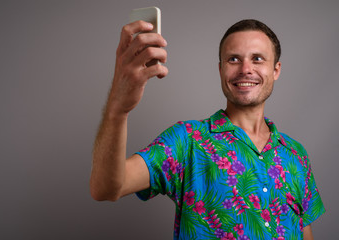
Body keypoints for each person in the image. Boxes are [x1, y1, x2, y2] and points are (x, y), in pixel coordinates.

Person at [90, 19, 325, 240]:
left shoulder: (296, 154)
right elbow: (105, 188)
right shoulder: (187, 140)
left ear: (276, 70)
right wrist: (117, 109)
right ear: (220, 69)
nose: (245, 69)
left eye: (257, 59)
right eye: (233, 59)